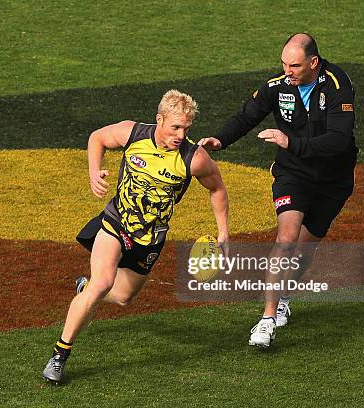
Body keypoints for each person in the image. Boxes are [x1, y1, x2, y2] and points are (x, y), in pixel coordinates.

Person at [43, 89, 230, 383]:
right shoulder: (133, 134)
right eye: (175, 127)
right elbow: (98, 138)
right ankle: (59, 356)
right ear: (160, 120)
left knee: (123, 297)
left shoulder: (194, 158)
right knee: (103, 282)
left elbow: (217, 188)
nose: (181, 135)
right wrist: (94, 171)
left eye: (186, 128)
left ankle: (85, 288)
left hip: (150, 239)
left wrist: (223, 232)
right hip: (116, 223)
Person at [199, 33, 357, 347]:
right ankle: (267, 318)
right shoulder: (279, 85)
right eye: (284, 64)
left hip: (333, 180)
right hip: (293, 173)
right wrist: (220, 140)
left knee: (304, 248)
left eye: (295, 65)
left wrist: (290, 142)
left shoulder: (338, 85)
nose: (288, 71)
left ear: (313, 62)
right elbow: (247, 116)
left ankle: (284, 295)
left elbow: (339, 139)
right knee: (286, 239)